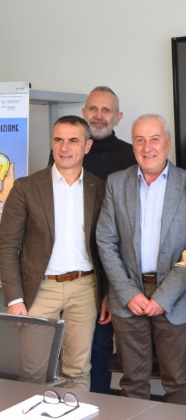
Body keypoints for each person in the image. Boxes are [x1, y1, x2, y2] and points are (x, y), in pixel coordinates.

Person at [96, 114, 186, 405]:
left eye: (154, 139)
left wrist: (163, 297)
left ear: (167, 143)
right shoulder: (116, 183)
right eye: (140, 140)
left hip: (174, 297)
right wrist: (128, 292)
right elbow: (106, 241)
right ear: (133, 145)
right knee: (132, 383)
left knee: (178, 383)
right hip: (129, 296)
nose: (147, 147)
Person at [0, 115, 105, 390]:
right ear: (52, 143)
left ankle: (77, 419)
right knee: (33, 373)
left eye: (73, 140)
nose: (64, 147)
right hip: (39, 290)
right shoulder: (25, 187)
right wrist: (14, 298)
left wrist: (107, 293)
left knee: (78, 371)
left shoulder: (100, 187)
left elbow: (107, 245)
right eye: (58, 140)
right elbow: (7, 246)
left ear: (87, 146)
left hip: (85, 289)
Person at [80, 85, 136, 394]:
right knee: (69, 356)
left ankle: (97, 413)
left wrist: (113, 288)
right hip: (73, 270)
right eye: (93, 109)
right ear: (84, 112)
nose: (98, 116)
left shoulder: (129, 155)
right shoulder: (68, 149)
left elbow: (130, 228)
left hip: (109, 273)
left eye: (106, 110)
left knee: (99, 351)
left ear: (118, 117)